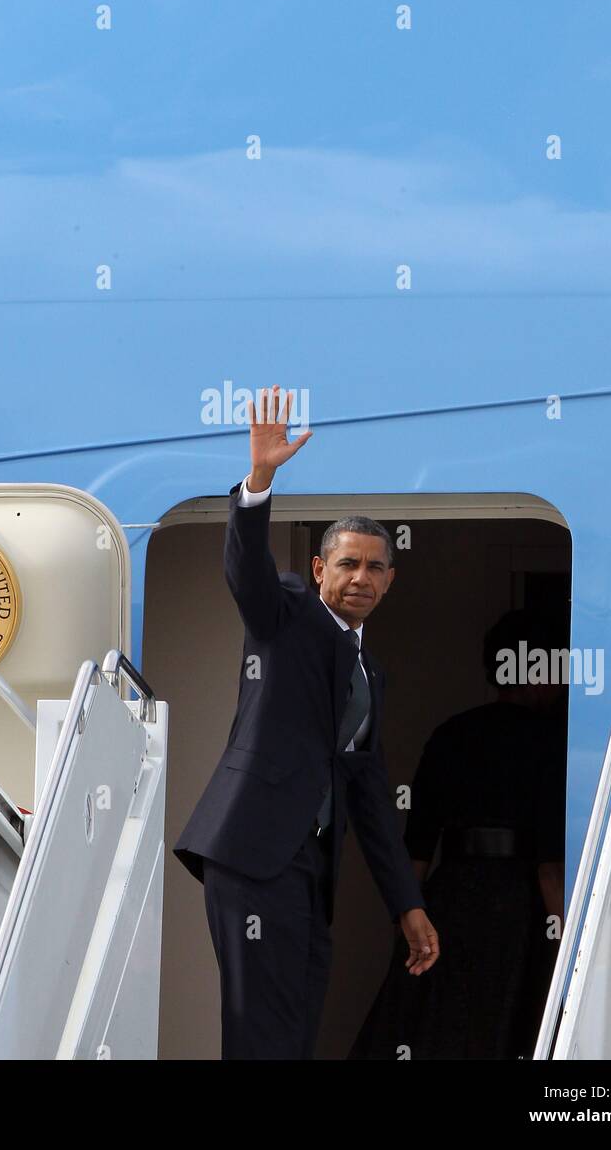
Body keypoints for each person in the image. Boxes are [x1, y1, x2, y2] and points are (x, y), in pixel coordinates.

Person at [173, 384, 439, 1059]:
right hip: (255, 854)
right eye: (348, 563)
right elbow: (248, 575)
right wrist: (258, 483)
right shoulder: (286, 616)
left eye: (376, 568)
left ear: (391, 582)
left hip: (309, 869)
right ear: (319, 569)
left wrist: (406, 905)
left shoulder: (368, 672)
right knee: (262, 1032)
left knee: (294, 1032)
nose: (361, 578)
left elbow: (372, 798)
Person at [348, 607, 568, 1061]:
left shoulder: (452, 734)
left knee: (434, 1032)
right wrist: (566, 946)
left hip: (448, 900)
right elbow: (550, 867)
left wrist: (409, 921)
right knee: (510, 1033)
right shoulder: (552, 741)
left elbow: (418, 850)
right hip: (519, 908)